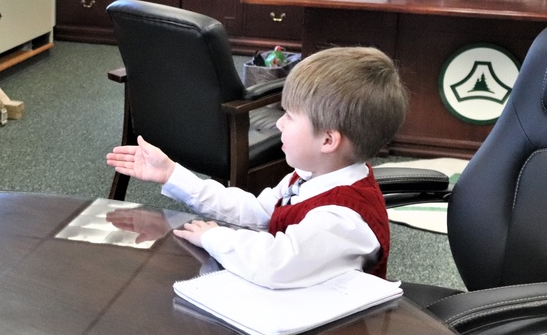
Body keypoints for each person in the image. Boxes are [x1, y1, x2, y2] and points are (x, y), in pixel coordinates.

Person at [106, 46, 409, 289]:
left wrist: (215, 237)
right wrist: (173, 175)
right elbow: (261, 213)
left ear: (328, 140)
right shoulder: (310, 174)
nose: (278, 123)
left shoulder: (341, 217)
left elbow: (275, 264)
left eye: (289, 116)